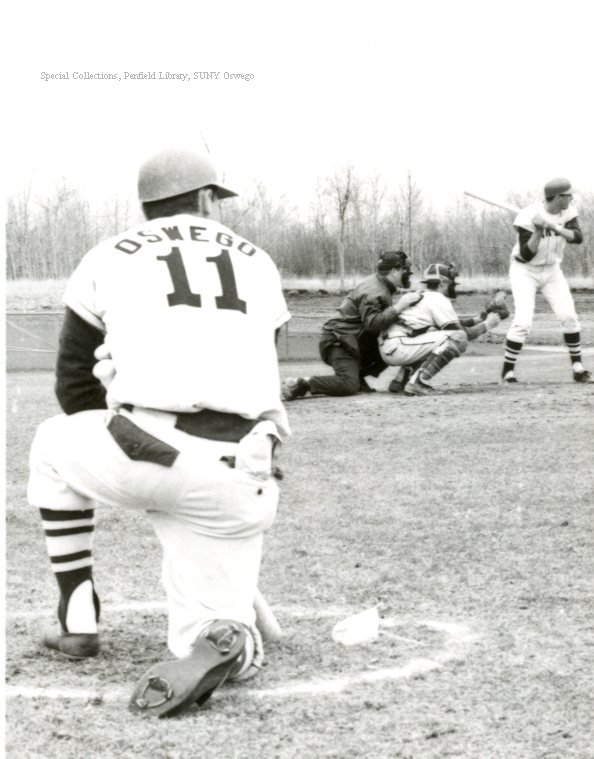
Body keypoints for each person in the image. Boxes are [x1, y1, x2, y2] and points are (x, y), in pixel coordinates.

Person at [27, 147, 291, 717]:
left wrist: (136, 458)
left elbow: (74, 387)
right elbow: (261, 363)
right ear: (202, 199)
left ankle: (77, 618)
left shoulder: (107, 255)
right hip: (243, 465)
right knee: (211, 628)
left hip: (145, 447)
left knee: (51, 442)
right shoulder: (258, 260)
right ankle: (231, 640)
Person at [281, 250, 423, 400]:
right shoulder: (374, 290)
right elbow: (373, 324)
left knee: (391, 349)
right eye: (405, 270)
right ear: (394, 271)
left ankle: (358, 378)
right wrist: (400, 306)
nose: (408, 274)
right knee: (348, 385)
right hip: (338, 341)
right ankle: (302, 384)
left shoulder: (380, 283)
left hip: (351, 340)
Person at [501, 177, 591, 384]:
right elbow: (526, 254)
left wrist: (556, 227)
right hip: (524, 270)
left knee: (569, 315)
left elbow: (577, 237)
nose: (571, 198)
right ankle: (507, 373)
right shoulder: (526, 216)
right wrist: (539, 231)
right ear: (558, 197)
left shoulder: (568, 213)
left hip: (552, 269)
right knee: (523, 322)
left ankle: (578, 368)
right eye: (568, 195)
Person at [379, 263, 503, 396]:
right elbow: (462, 334)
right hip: (399, 346)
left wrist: (477, 320)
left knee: (435, 336)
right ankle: (417, 383)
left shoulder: (425, 295)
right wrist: (487, 325)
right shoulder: (438, 298)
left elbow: (446, 326)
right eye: (451, 281)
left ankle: (401, 380)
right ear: (443, 282)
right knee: (457, 338)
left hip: (393, 345)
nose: (453, 284)